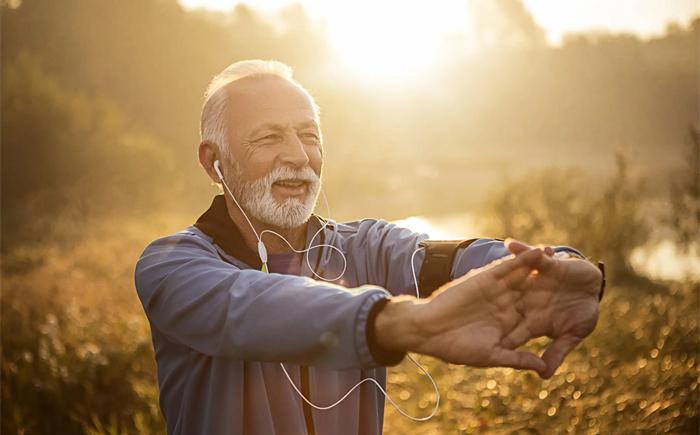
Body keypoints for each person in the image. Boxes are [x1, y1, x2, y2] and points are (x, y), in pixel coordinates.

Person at [134, 59, 604, 435]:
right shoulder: (171, 266)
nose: (298, 155)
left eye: (309, 135)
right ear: (215, 162)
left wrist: (556, 268)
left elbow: (447, 256)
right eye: (269, 137)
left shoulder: (364, 246)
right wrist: (403, 323)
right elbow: (249, 308)